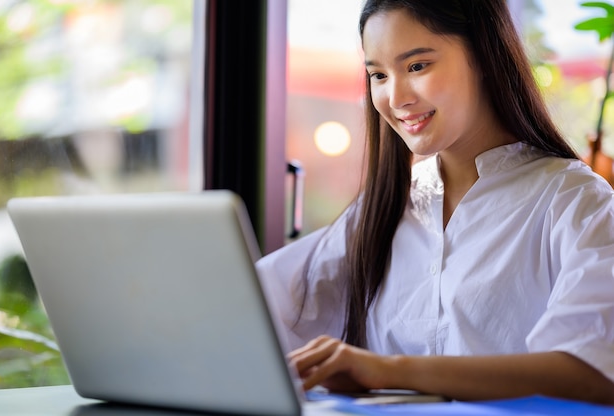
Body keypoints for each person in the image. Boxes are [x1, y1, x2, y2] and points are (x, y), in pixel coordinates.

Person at [256, 0, 614, 405]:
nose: (395, 97)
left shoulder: (573, 201)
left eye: (417, 66)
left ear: (483, 56)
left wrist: (387, 370)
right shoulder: (384, 209)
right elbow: (256, 305)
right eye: (378, 75)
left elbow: (595, 370)